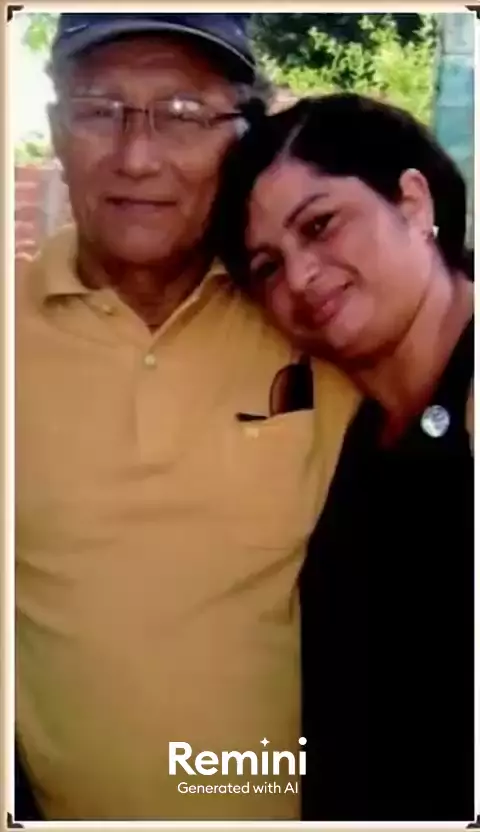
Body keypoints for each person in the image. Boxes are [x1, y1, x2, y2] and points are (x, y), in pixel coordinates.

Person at [15, 16, 358, 822]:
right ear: (57, 130)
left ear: (242, 139)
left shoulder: (311, 317)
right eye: (99, 109)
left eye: (182, 113)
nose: (137, 157)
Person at [216, 93, 474, 821]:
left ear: (412, 202)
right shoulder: (344, 423)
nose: (300, 278)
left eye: (320, 224)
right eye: (267, 266)